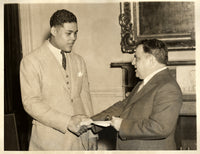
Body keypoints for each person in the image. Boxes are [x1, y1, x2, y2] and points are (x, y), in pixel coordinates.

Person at [81, 39, 183, 150]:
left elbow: (160, 127)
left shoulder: (168, 87)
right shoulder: (143, 83)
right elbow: (123, 106)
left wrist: (123, 125)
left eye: (137, 58)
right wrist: (91, 121)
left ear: (152, 60)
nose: (133, 62)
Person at [20, 9, 97, 150]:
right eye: (68, 33)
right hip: (49, 141)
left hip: (81, 141)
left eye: (76, 33)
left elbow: (85, 97)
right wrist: (67, 121)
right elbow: (31, 103)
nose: (73, 38)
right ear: (54, 31)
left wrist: (92, 133)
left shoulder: (79, 61)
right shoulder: (31, 61)